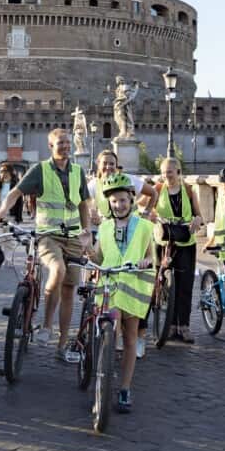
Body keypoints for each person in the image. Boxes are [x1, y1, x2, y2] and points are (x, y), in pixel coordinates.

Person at [0, 128, 95, 362]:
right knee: (57, 270)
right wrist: (2, 210)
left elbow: (82, 205)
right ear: (51, 146)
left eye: (68, 142)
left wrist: (86, 229)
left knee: (69, 289)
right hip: (49, 235)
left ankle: (61, 344)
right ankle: (47, 325)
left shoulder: (78, 171)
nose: (66, 146)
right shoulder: (40, 170)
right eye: (60, 143)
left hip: (74, 237)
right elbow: (16, 192)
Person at [91, 173, 156, 413]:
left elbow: (151, 255)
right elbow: (97, 257)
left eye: (123, 200)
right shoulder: (105, 227)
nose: (119, 205)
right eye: (114, 201)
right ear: (109, 202)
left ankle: (125, 387)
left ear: (132, 199)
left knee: (130, 340)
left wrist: (145, 262)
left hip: (133, 290)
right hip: (109, 289)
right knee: (109, 333)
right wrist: (87, 245)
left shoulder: (145, 227)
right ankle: (102, 376)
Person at [89, 149, 157, 358]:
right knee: (104, 285)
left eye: (112, 163)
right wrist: (89, 215)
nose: (108, 167)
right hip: (108, 232)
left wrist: (146, 213)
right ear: (98, 166)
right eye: (105, 163)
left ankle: (139, 336)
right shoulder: (93, 186)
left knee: (137, 291)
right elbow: (81, 202)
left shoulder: (128, 180)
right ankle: (113, 335)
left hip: (134, 233)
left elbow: (153, 192)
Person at [145, 158, 202, 342]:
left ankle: (183, 326)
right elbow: (140, 205)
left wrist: (197, 221)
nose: (166, 175)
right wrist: (149, 213)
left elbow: (199, 215)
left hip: (185, 241)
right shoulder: (158, 189)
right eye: (164, 172)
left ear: (178, 171)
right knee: (161, 280)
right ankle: (168, 324)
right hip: (163, 240)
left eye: (170, 171)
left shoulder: (188, 190)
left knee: (185, 285)